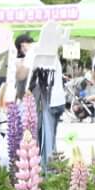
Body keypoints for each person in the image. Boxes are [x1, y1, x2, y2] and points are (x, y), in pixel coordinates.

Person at [25, 35, 66, 171]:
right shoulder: (51, 54)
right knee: (49, 136)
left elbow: (25, 75)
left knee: (43, 135)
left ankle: (45, 167)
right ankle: (49, 167)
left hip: (45, 98)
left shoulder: (35, 51)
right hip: (56, 100)